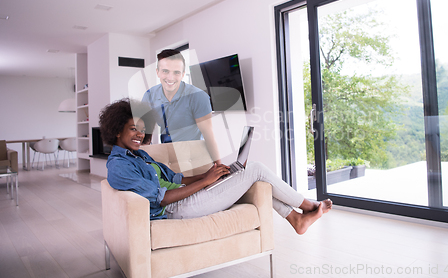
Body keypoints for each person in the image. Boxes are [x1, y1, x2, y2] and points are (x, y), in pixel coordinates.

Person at [100, 98, 332, 235]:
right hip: (174, 209)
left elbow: (177, 178)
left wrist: (212, 175)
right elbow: (161, 199)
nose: (140, 134)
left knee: (251, 176)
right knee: (257, 169)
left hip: (183, 199)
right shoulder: (119, 166)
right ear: (117, 129)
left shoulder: (141, 156)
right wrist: (205, 182)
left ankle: (296, 220)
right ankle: (308, 205)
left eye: (142, 129)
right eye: (133, 129)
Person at [142, 49, 221, 164]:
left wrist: (218, 166)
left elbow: (208, 135)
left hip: (193, 157)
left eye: (176, 72)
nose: (170, 77)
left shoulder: (198, 97)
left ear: (183, 74)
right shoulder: (150, 96)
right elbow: (145, 132)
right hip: (166, 156)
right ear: (157, 72)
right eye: (165, 71)